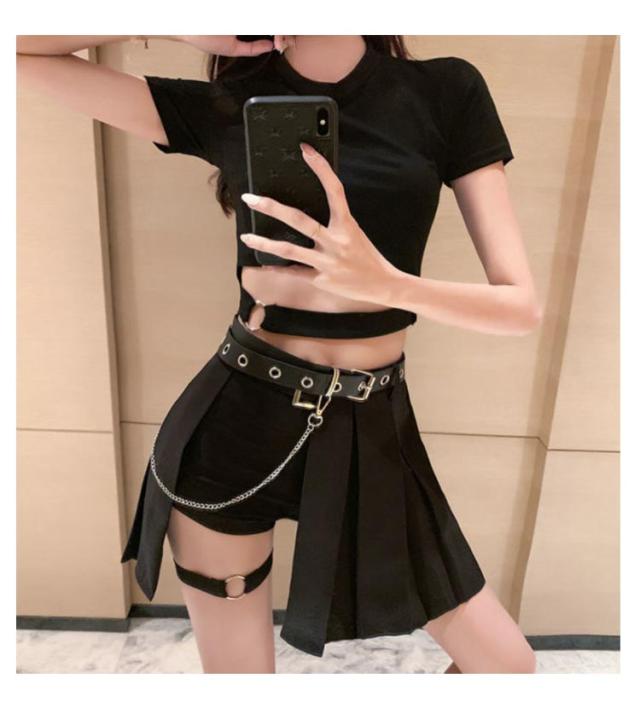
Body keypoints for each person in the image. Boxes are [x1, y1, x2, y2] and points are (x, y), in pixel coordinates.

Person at [17, 34, 542, 674]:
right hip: (236, 422)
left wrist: (384, 284)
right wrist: (181, 20)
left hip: (373, 426)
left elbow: (521, 309)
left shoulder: (446, 91)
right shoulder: (231, 102)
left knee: (506, 668)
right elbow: (20, 47)